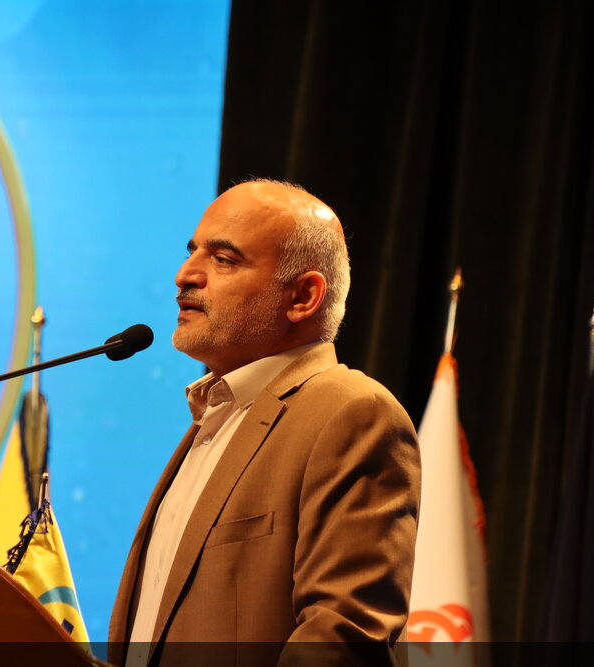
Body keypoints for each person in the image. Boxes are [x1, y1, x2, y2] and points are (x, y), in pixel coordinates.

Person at [108, 179, 421, 666]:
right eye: (192, 252)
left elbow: (342, 639)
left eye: (223, 259)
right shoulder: (217, 414)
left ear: (303, 296)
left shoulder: (352, 414)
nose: (185, 275)